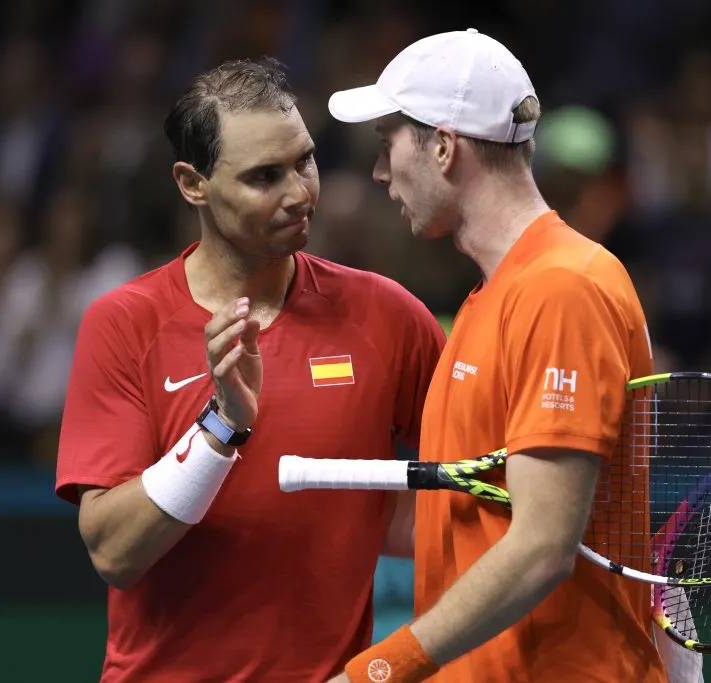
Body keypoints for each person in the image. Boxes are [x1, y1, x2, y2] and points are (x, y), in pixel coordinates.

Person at [54, 57, 445, 683]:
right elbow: (113, 551)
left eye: (305, 162)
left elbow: (473, 493)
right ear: (193, 184)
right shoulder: (123, 324)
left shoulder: (389, 316)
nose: (300, 193)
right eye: (265, 176)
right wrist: (221, 429)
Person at [326, 29, 676, 683]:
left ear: (442, 146)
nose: (379, 172)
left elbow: (543, 546)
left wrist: (378, 669)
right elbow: (473, 523)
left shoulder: (562, 288)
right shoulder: (494, 297)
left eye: (387, 145)